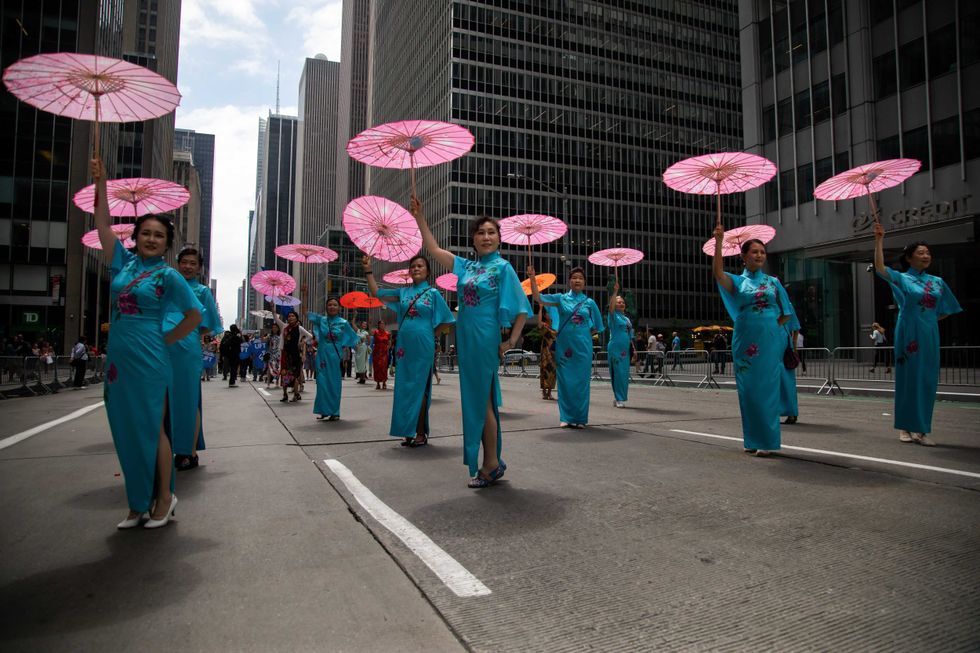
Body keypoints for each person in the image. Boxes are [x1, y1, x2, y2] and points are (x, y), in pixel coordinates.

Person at [90, 155, 202, 529]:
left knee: (152, 426)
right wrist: (101, 183)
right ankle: (137, 502)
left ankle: (165, 499)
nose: (151, 239)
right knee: (124, 428)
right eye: (145, 233)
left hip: (151, 358)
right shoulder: (121, 265)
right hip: (119, 359)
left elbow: (194, 316)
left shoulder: (169, 277)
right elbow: (102, 224)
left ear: (167, 243)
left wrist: (165, 338)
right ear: (135, 238)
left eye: (159, 235)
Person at [410, 195, 530, 487]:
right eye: (481, 232)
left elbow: (523, 309)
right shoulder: (466, 267)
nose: (486, 236)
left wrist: (509, 341)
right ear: (474, 240)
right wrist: (419, 217)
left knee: (480, 401)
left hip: (485, 337)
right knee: (480, 400)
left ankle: (490, 464)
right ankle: (492, 461)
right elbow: (434, 249)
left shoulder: (503, 268)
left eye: (491, 232)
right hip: (466, 338)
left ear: (499, 239)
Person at [873, 224, 962, 445]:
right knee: (908, 378)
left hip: (929, 333)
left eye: (928, 253)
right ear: (909, 258)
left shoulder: (937, 282)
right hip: (908, 331)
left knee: (927, 379)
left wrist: (928, 320)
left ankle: (921, 430)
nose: (926, 256)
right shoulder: (902, 278)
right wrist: (879, 240)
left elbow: (945, 310)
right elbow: (880, 268)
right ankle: (904, 427)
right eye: (920, 253)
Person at [713, 225, 792, 457]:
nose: (759, 255)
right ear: (744, 256)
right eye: (754, 252)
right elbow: (718, 274)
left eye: (762, 252)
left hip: (769, 340)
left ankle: (766, 441)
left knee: (767, 387)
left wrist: (770, 328)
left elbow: (786, 312)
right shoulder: (738, 282)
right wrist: (719, 242)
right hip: (744, 338)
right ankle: (752, 438)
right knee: (747, 389)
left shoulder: (773, 282)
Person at [365, 254, 454, 445]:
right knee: (405, 386)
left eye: (420, 266)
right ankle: (408, 429)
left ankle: (420, 432)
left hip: (423, 345)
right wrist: (368, 271)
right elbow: (376, 293)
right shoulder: (403, 293)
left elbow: (448, 320)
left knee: (420, 387)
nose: (416, 269)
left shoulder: (433, 293)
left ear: (428, 271)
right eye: (413, 266)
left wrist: (432, 333)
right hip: (404, 347)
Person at [165, 247, 222, 472]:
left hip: (187, 350)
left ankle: (188, 450)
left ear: (199, 268)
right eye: (184, 262)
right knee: (163, 399)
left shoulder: (202, 291)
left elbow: (209, 324)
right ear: (177, 263)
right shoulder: (167, 287)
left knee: (188, 398)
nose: (188, 266)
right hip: (162, 347)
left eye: (193, 263)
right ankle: (165, 447)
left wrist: (190, 333)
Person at [529, 264, 604, 427]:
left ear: (584, 282)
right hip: (565, 348)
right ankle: (566, 417)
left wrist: (585, 334)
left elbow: (597, 326)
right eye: (574, 278)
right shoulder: (560, 298)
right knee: (565, 381)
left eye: (580, 278)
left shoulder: (590, 303)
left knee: (581, 383)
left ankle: (580, 419)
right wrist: (533, 278)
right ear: (569, 281)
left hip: (583, 348)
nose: (577, 280)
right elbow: (538, 298)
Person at [307, 298, 359, 420]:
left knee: (334, 383)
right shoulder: (321, 320)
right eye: (329, 305)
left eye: (335, 305)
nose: (332, 307)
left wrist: (358, 347)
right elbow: (307, 313)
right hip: (322, 356)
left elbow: (353, 337)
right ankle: (324, 410)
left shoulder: (343, 322)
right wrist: (305, 295)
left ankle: (335, 412)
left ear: (339, 308)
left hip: (335, 357)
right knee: (321, 383)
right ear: (326, 307)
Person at [606, 282, 635, 408]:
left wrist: (633, 348)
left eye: (622, 302)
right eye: (618, 302)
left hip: (625, 349)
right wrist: (615, 292)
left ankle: (620, 397)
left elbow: (630, 335)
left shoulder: (627, 319)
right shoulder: (612, 316)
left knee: (623, 373)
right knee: (617, 372)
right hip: (615, 348)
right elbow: (611, 307)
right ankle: (618, 398)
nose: (621, 303)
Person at [273, 308, 311, 402]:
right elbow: (276, 319)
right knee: (284, 373)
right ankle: (285, 394)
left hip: (295, 354)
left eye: (293, 316)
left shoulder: (299, 328)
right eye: (289, 316)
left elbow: (310, 336)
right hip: (285, 354)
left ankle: (296, 394)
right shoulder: (284, 327)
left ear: (297, 318)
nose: (290, 317)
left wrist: (302, 342)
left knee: (295, 375)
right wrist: (273, 309)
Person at [778, 296, 802, 425]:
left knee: (780, 379)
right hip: (785, 343)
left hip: (780, 342)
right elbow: (796, 327)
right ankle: (791, 413)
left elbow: (795, 328)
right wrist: (794, 347)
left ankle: (788, 412)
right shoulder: (787, 303)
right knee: (787, 379)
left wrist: (793, 347)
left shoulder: (782, 304)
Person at [537, 307, 557, 400]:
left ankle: (549, 393)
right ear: (545, 315)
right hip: (546, 352)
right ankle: (544, 392)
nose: (550, 315)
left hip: (554, 352)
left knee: (553, 372)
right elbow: (539, 323)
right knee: (545, 371)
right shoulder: (544, 325)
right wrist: (540, 308)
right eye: (548, 313)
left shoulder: (554, 326)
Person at [371, 320, 391, 390]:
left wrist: (387, 348)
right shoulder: (375, 332)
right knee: (377, 367)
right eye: (381, 324)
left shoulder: (387, 333)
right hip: (377, 352)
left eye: (383, 324)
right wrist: (370, 322)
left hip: (384, 353)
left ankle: (384, 382)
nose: (382, 325)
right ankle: (378, 383)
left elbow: (389, 342)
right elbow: (371, 336)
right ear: (378, 325)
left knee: (384, 367)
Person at [266, 322, 282, 388]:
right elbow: (268, 345)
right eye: (273, 328)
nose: (274, 329)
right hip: (271, 353)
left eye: (276, 328)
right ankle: (268, 383)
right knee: (269, 368)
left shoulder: (280, 336)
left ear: (278, 329)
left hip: (278, 354)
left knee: (277, 368)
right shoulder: (269, 336)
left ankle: (277, 383)